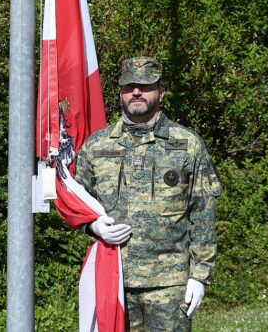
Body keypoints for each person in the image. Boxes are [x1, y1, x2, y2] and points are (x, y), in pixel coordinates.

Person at [75, 56, 222, 331]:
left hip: (169, 287)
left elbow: (203, 214)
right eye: (129, 86)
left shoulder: (187, 145)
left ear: (161, 91)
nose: (137, 92)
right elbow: (75, 203)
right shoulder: (96, 146)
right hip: (113, 279)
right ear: (120, 91)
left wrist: (200, 276)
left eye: (146, 85)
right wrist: (92, 226)